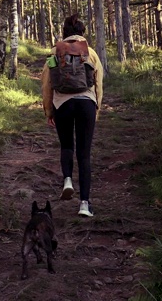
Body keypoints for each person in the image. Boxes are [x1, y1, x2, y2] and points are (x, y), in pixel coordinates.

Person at [41, 14, 103, 217]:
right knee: (84, 154)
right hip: (86, 104)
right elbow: (99, 83)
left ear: (64, 32)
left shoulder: (54, 53)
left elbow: (47, 84)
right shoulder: (91, 53)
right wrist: (97, 107)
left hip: (63, 104)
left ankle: (67, 179)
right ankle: (84, 204)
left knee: (67, 145)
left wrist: (49, 110)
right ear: (82, 32)